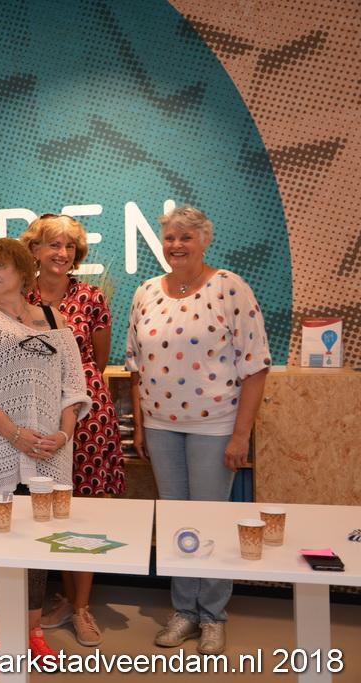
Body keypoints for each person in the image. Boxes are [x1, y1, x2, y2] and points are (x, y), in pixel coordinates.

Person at [126, 206, 271, 655]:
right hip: (161, 426)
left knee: (210, 520)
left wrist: (240, 435)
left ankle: (212, 615)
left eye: (186, 237)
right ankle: (184, 611)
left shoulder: (229, 287)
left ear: (204, 241)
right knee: (177, 520)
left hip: (215, 426)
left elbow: (256, 366)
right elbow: (135, 367)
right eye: (170, 237)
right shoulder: (146, 292)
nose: (176, 245)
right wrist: (141, 427)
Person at [0, 237, 90, 675]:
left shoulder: (54, 319)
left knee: (37, 542)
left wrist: (63, 435)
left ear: (24, 272)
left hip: (48, 452)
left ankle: (32, 632)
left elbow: (73, 389)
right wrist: (14, 435)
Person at [20, 214, 124, 647]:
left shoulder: (91, 297)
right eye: (53, 245)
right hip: (37, 412)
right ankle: (62, 598)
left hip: (88, 417)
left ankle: (81, 607)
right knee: (52, 507)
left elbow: (98, 362)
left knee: (86, 512)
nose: (62, 253)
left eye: (69, 246)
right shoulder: (19, 296)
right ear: (35, 250)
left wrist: (74, 394)